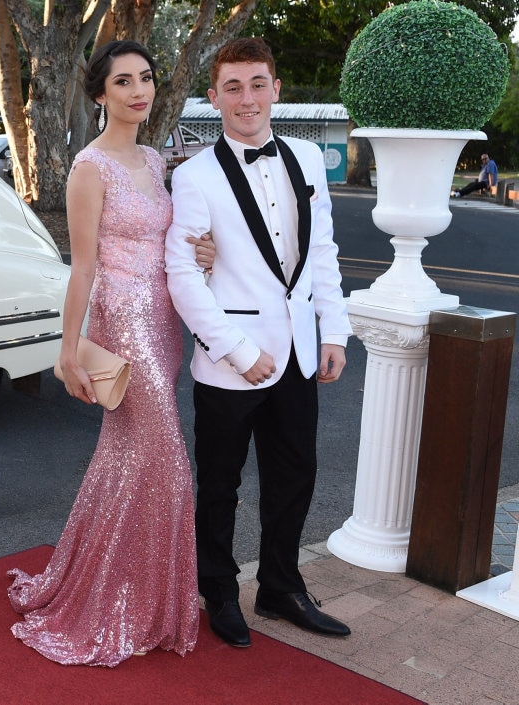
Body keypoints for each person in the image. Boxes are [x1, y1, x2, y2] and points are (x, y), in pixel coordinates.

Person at [7, 40, 214, 667]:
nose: (138, 91)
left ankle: (119, 587)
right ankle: (122, 602)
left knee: (127, 458)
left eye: (145, 78)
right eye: (122, 82)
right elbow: (83, 267)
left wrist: (203, 255)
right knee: (170, 464)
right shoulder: (88, 168)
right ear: (100, 94)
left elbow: (171, 240)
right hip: (123, 323)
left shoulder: (154, 160)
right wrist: (67, 350)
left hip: (166, 320)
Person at [164, 37, 353, 648]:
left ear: (276, 88)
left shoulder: (305, 158)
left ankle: (280, 587)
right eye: (234, 86)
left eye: (258, 83)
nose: (248, 98)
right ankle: (218, 591)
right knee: (220, 484)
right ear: (214, 96)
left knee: (294, 474)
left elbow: (321, 251)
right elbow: (183, 273)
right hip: (230, 362)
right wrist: (237, 351)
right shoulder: (192, 175)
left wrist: (334, 331)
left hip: (300, 350)